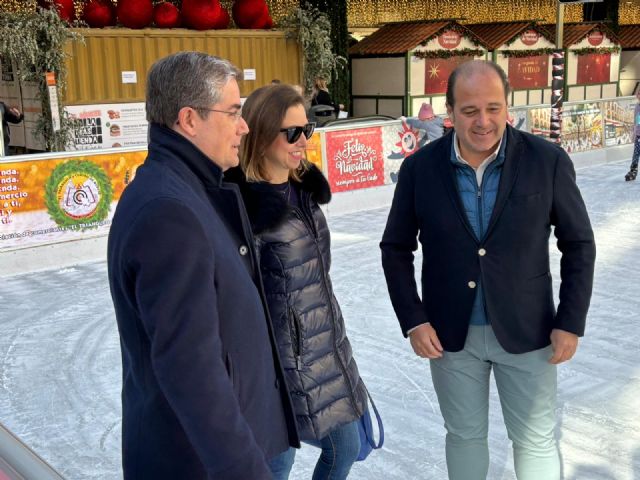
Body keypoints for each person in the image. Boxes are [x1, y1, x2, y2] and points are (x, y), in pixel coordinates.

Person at [380, 60, 595, 480]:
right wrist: (414, 319)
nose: (484, 121)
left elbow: (579, 243)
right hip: (450, 335)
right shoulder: (420, 169)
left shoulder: (545, 161)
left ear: (507, 107)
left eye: (493, 108)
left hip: (528, 329)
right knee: (463, 436)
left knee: (534, 439)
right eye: (470, 110)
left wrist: (570, 320)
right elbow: (395, 248)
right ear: (450, 112)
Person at [107, 52, 299, 480]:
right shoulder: (168, 210)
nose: (244, 126)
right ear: (189, 120)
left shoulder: (195, 191)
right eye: (233, 111)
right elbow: (189, 367)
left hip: (230, 443)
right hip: (198, 462)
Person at [225, 84, 368, 480]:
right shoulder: (244, 209)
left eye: (307, 129)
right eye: (292, 133)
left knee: (346, 448)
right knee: (276, 465)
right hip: (273, 365)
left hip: (323, 346)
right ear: (260, 133)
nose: (303, 140)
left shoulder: (302, 192)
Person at [624, 89, 640, 181]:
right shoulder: (637, 106)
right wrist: (634, 133)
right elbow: (637, 121)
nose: (638, 95)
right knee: (636, 154)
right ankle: (633, 171)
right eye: (638, 93)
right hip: (638, 135)